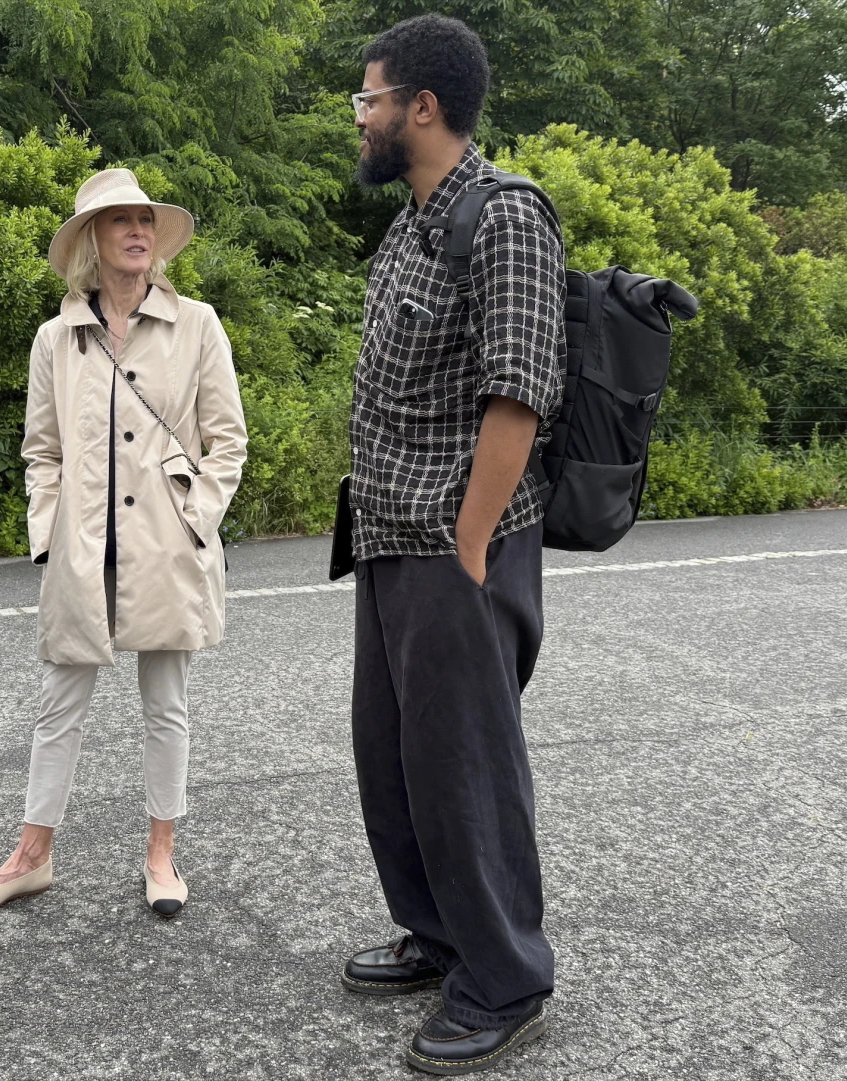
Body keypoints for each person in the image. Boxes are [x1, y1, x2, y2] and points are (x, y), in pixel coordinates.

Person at [341, 15, 565, 1075]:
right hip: (390, 537)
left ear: (420, 108)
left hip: (454, 546)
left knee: (465, 765)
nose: (363, 116)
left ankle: (507, 974)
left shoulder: (508, 216)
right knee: (398, 760)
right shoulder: (414, 222)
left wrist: (471, 548)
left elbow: (518, 391)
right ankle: (440, 935)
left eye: (369, 98)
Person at [0, 169, 247, 919]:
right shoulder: (56, 338)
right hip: (82, 548)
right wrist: (45, 537)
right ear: (92, 240)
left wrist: (196, 516)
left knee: (165, 703)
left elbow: (228, 442)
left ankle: (161, 854)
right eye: (121, 222)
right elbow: (40, 451)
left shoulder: (199, 323)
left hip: (167, 544)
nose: (138, 231)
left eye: (146, 220)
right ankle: (30, 856)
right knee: (58, 704)